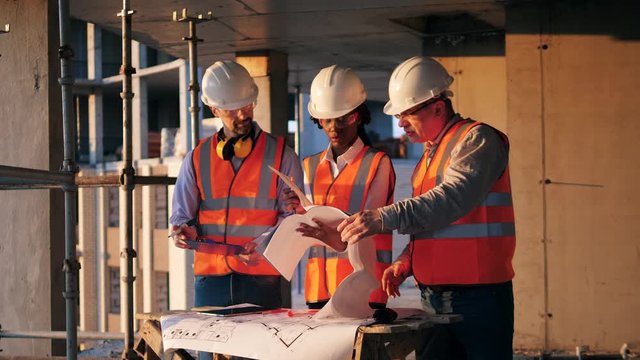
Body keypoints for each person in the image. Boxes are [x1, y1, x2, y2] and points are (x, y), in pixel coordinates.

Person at [338, 56, 516, 360]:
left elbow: (451, 199)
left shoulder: (477, 140)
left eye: (407, 113)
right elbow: (434, 223)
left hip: (478, 300)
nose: (400, 122)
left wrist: (383, 217)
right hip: (435, 297)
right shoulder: (430, 156)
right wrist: (406, 262)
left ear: (437, 106)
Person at [169, 60, 303, 313]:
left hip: (261, 280)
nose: (243, 115)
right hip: (211, 279)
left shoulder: (282, 156)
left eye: (247, 105)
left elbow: (293, 220)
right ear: (214, 109)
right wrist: (182, 232)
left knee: (256, 352)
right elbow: (181, 217)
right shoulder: (197, 159)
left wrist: (262, 246)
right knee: (209, 349)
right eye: (232, 110)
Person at [283, 65, 396, 310]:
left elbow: (370, 226)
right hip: (318, 290)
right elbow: (310, 223)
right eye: (326, 120)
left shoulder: (378, 163)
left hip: (362, 290)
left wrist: (333, 238)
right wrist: (296, 212)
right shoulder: (309, 165)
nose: (334, 127)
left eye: (343, 118)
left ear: (358, 115)